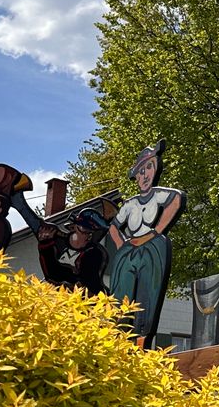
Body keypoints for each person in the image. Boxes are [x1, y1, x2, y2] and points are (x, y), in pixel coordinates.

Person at [108, 140, 186, 348]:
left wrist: (156, 232)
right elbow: (114, 227)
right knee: (120, 297)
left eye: (148, 168)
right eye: (140, 171)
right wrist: (122, 247)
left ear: (155, 169)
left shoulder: (159, 195)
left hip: (152, 250)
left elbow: (177, 199)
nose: (144, 175)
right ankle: (117, 343)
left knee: (147, 297)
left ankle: (141, 343)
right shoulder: (130, 203)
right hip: (129, 251)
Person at [37, 208, 110, 297]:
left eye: (92, 233)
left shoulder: (94, 253)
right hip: (56, 299)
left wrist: (46, 246)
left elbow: (59, 275)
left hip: (89, 303)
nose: (87, 236)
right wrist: (45, 244)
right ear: (73, 227)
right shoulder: (59, 243)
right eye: (85, 230)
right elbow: (51, 275)